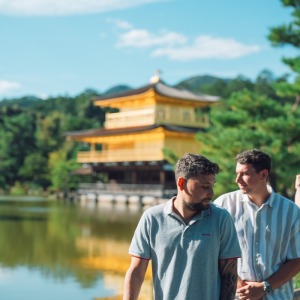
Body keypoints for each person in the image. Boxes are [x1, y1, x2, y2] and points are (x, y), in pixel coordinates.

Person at [123, 153, 241, 300]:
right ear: (181, 183)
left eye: (212, 186)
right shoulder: (152, 218)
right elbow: (136, 271)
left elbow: (229, 275)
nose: (211, 193)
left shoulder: (221, 218)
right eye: (205, 186)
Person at [214, 149, 300, 300]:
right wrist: (241, 286)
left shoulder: (291, 211)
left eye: (245, 174)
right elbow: (212, 251)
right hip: (234, 296)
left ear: (264, 175)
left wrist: (264, 287)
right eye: (237, 173)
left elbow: (296, 259)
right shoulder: (223, 205)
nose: (237, 180)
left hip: (278, 297)